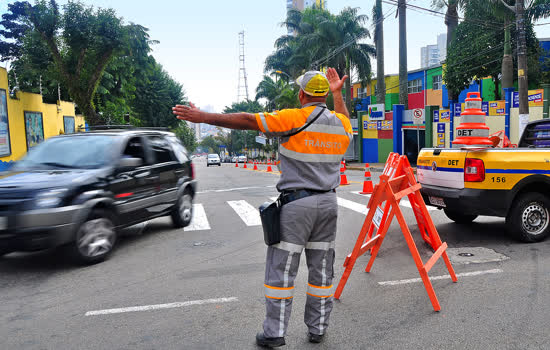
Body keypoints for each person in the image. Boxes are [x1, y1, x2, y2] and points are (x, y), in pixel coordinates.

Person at [172, 68, 352, 348]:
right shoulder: (338, 124)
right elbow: (345, 119)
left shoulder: (294, 117)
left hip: (297, 205)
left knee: (281, 271)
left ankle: (274, 333)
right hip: (328, 203)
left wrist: (204, 117)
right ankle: (318, 329)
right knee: (322, 271)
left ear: (302, 94)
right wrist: (338, 94)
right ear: (325, 95)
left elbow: (248, 120)